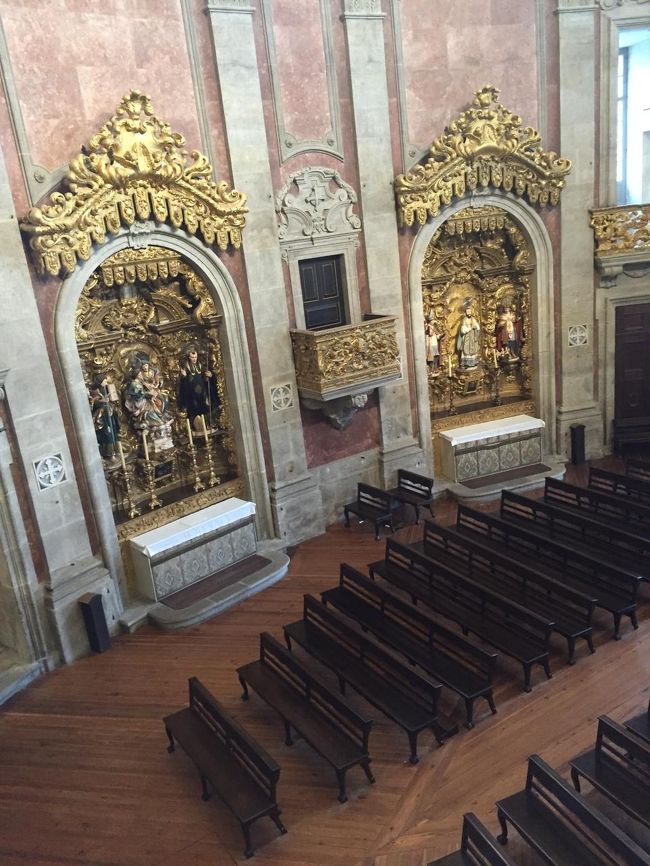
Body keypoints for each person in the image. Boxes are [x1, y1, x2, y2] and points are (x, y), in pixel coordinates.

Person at [178, 348, 220, 426]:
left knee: (207, 406)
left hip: (203, 393)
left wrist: (209, 375)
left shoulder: (201, 366)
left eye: (195, 357)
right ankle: (198, 425)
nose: (194, 359)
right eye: (192, 357)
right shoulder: (186, 367)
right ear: (189, 358)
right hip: (192, 394)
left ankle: (209, 423)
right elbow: (183, 385)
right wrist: (184, 377)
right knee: (195, 409)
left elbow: (207, 377)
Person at [123, 359, 170, 429]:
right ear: (137, 375)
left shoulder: (139, 382)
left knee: (159, 401)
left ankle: (162, 417)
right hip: (139, 402)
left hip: (144, 398)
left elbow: (155, 378)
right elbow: (139, 394)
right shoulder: (135, 384)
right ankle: (158, 422)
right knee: (152, 407)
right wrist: (149, 394)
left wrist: (152, 389)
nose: (141, 375)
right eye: (139, 374)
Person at [89, 375, 120, 460]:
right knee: (107, 433)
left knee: (113, 431)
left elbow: (112, 399)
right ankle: (109, 454)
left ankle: (115, 451)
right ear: (100, 382)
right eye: (105, 381)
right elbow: (93, 404)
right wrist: (101, 401)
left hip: (109, 413)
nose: (106, 382)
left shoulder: (106, 389)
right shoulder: (95, 392)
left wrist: (111, 398)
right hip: (102, 416)